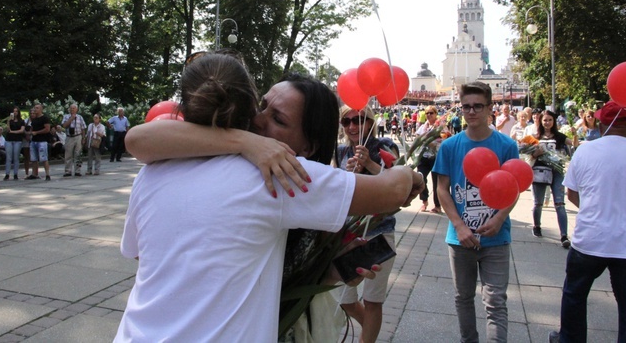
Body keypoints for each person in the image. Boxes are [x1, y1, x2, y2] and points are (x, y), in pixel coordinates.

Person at [117, 56, 423, 342]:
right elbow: (392, 191)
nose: (259, 121)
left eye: (277, 118)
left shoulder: (152, 172)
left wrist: (327, 273)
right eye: (262, 106)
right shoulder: (280, 178)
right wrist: (412, 174)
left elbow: (147, 256)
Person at [433, 82, 519, 343]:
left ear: (490, 108)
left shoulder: (506, 146)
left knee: (495, 301)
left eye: (477, 106)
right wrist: (458, 225)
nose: (471, 112)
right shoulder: (450, 147)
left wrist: (500, 217)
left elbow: (513, 188)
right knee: (463, 298)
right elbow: (442, 189)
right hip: (460, 239)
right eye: (466, 106)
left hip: (496, 237)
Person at [548, 101, 626, 343]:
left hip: (590, 239)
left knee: (574, 295)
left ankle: (569, 339)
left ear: (600, 125)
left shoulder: (586, 151)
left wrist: (594, 208)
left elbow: (571, 193)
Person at [334, 105, 400, 343]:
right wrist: (344, 175)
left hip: (378, 232)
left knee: (373, 300)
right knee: (344, 298)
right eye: (347, 121)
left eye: (359, 120)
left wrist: (370, 165)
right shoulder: (340, 152)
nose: (353, 126)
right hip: (347, 235)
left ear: (370, 122)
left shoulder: (384, 146)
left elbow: (398, 184)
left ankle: (367, 338)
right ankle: (369, 332)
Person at [527, 109, 577, 247]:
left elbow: (573, 144)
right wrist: (536, 153)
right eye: (545, 120)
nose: (547, 122)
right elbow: (529, 155)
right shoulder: (535, 137)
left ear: (553, 121)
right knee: (538, 203)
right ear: (540, 121)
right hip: (540, 171)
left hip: (557, 171)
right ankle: (537, 226)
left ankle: (564, 236)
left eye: (550, 120)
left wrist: (575, 134)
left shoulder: (559, 136)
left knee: (560, 203)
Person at [416, 105, 442, 213]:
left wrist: (433, 143)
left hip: (436, 157)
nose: (429, 115)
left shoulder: (440, 126)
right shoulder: (423, 127)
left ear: (436, 114)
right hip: (424, 156)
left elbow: (446, 138)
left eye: (431, 113)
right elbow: (417, 137)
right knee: (420, 178)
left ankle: (437, 205)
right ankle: (424, 201)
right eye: (427, 113)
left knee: (437, 182)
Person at [27, 104, 51, 180]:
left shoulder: (44, 118)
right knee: (34, 159)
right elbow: (32, 128)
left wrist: (37, 132)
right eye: (35, 108)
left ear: (41, 109)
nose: (35, 109)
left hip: (42, 141)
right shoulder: (34, 119)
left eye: (37, 108)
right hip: (34, 140)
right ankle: (34, 174)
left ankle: (47, 174)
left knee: (44, 158)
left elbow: (47, 129)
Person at [62, 104, 87, 177]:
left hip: (78, 136)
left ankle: (77, 171)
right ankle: (68, 171)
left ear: (76, 109)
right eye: (71, 108)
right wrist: (71, 119)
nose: (72, 110)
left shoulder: (80, 117)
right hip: (69, 137)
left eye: (74, 108)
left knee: (78, 154)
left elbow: (83, 128)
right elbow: (64, 126)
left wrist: (83, 138)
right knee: (68, 155)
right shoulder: (66, 116)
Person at [4, 107, 25, 180]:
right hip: (9, 140)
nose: (15, 112)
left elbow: (21, 130)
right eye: (14, 111)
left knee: (16, 157)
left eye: (16, 111)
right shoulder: (10, 120)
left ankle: (15, 174)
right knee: (8, 158)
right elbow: (7, 130)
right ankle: (7, 174)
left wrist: (13, 132)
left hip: (17, 140)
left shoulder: (21, 121)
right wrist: (8, 121)